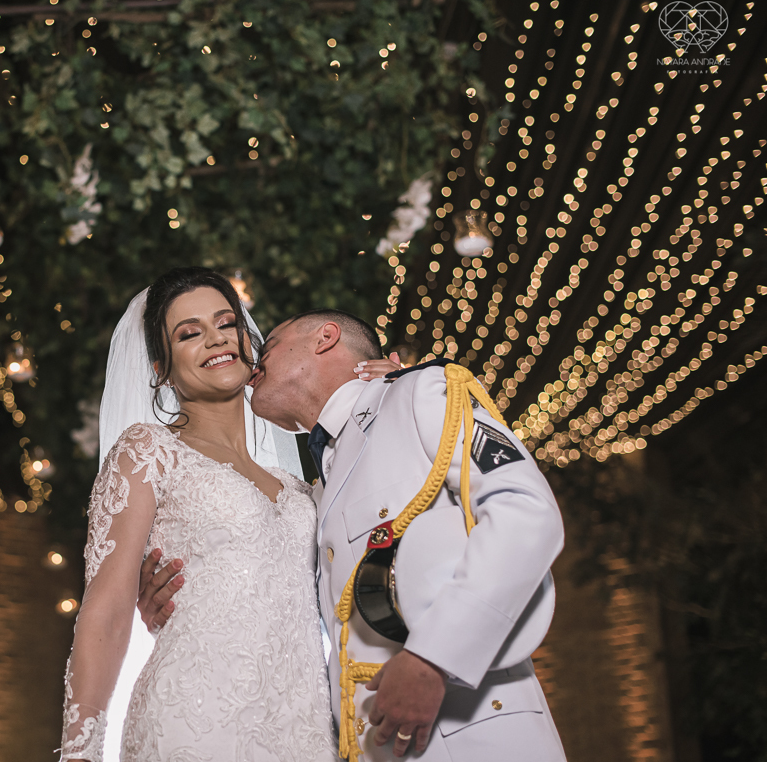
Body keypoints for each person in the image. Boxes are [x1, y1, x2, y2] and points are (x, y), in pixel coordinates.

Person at [140, 309, 567, 761]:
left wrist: (434, 658)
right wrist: (176, 606)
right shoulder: (314, 490)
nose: (250, 363)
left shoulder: (420, 393)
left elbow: (527, 512)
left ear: (325, 338)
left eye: (267, 347)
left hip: (474, 736)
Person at [59, 267, 395, 761]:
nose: (216, 340)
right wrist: (79, 753)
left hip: (303, 730)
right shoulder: (148, 452)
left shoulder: (300, 486)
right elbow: (104, 614)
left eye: (225, 323)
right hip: (192, 720)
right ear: (160, 368)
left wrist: (389, 397)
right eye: (190, 333)